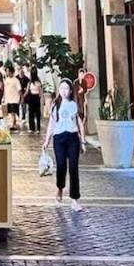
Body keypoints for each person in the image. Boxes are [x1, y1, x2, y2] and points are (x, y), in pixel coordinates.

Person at [43, 78, 84, 212]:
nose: (64, 91)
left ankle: (75, 199)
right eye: (61, 88)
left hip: (72, 138)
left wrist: (83, 141)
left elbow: (79, 123)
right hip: (59, 139)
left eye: (66, 88)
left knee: (73, 168)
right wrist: (47, 140)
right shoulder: (55, 105)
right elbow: (51, 123)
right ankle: (60, 188)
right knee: (61, 166)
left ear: (70, 90)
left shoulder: (74, 104)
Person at [3, 65, 22, 130]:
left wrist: (21, 98)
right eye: (6, 71)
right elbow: (5, 89)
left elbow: (19, 90)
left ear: (11, 72)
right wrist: (4, 97)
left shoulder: (16, 80)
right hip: (8, 99)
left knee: (13, 113)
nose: (7, 72)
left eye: (8, 71)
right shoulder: (6, 80)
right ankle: (12, 124)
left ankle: (14, 125)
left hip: (14, 99)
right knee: (10, 113)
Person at [25, 68, 44, 134]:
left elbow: (27, 91)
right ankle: (34, 128)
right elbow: (40, 92)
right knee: (34, 114)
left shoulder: (34, 82)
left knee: (34, 114)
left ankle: (34, 128)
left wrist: (23, 97)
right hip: (34, 98)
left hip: (34, 98)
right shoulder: (33, 82)